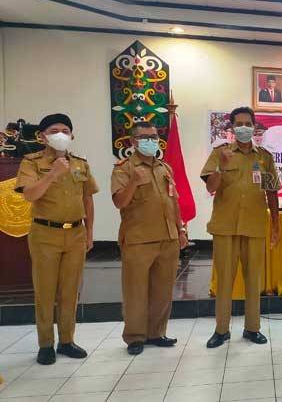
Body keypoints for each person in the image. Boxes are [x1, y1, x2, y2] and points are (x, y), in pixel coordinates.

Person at [14, 113, 98, 365]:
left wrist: (90, 232)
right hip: (45, 233)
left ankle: (67, 340)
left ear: (72, 135)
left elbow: (87, 199)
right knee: (45, 291)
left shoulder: (80, 163)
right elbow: (30, 195)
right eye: (54, 131)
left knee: (70, 291)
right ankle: (46, 344)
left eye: (65, 130)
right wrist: (52, 174)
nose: (60, 134)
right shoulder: (31, 162)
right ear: (42, 136)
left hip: (75, 233)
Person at [200, 107, 280, 348]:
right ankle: (221, 330)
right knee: (225, 280)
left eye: (248, 123)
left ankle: (252, 328)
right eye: (239, 124)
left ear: (254, 127)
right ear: (232, 128)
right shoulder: (220, 153)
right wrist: (222, 167)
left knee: (254, 280)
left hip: (255, 226)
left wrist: (275, 226)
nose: (244, 127)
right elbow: (210, 187)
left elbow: (272, 192)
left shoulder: (264, 157)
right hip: (225, 226)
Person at [111, 122, 188, 355]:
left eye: (154, 137)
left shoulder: (165, 168)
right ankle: (135, 336)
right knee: (135, 292)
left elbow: (173, 201)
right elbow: (119, 202)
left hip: (168, 237)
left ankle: (156, 333)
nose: (151, 141)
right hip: (139, 239)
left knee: (162, 291)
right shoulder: (124, 169)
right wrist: (134, 182)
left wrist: (181, 229)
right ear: (133, 141)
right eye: (145, 137)